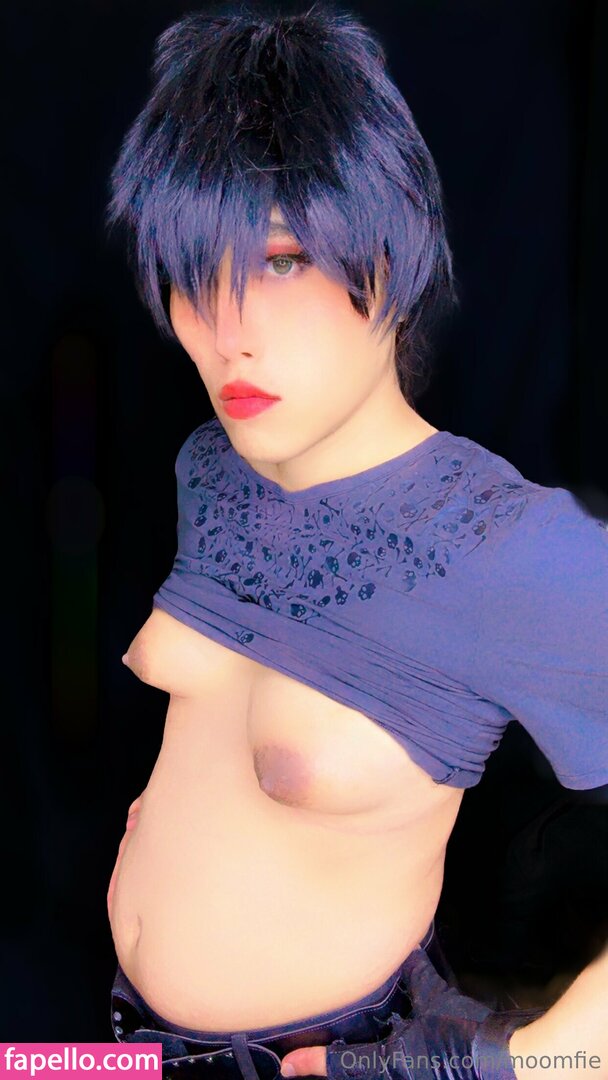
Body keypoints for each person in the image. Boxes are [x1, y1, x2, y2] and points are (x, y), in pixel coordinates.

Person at [104, 3, 608, 1078]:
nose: (227, 330)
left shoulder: (502, 546)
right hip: (116, 1054)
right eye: (194, 273)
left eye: (282, 261)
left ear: (390, 251)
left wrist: (533, 1063)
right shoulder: (212, 468)